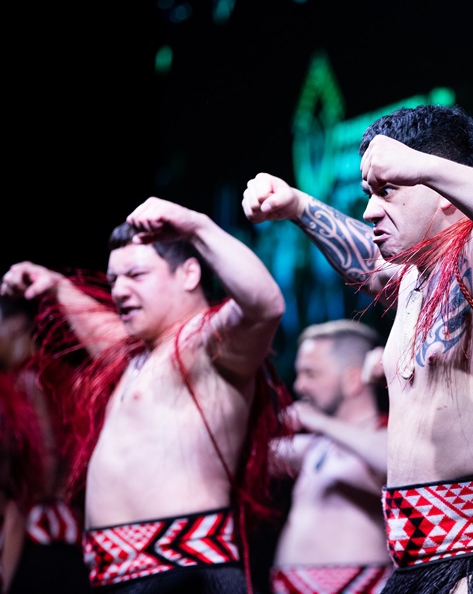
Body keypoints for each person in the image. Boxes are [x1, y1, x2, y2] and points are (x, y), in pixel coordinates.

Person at [242, 104, 473, 593]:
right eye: (369, 193)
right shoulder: (417, 278)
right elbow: (366, 263)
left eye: (387, 190)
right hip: (420, 562)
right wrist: (297, 206)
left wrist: (424, 168)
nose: (371, 209)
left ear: (441, 191)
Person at [0, 196, 288, 593]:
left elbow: (265, 305)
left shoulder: (207, 344)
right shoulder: (144, 355)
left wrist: (196, 225)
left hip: (184, 576)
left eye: (136, 274)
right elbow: (105, 334)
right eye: (114, 279)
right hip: (121, 576)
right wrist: (58, 288)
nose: (119, 290)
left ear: (189, 274)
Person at [270, 319, 393, 594]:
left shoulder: (387, 434)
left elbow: (392, 461)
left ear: (352, 379)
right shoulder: (315, 445)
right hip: (289, 584)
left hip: (359, 584)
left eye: (311, 374)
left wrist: (320, 423)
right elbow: (243, 457)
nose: (300, 386)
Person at [0, 295, 90, 593]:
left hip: (37, 531)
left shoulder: (28, 380)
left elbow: (47, 460)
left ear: (16, 327)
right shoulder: (62, 377)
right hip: (69, 530)